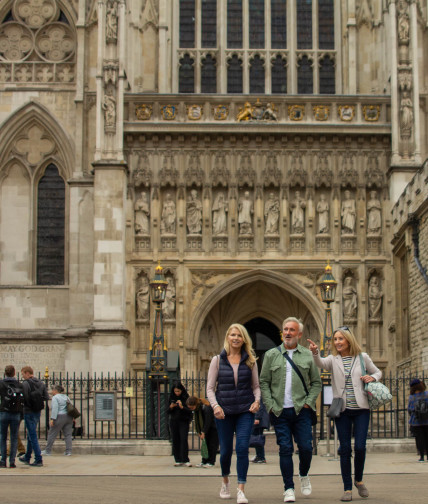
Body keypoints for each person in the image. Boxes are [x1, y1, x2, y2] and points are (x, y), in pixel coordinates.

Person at [308, 326, 382, 501]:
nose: (337, 342)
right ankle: (347, 488)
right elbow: (320, 363)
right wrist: (315, 352)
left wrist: (373, 378)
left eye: (341, 339)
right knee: (345, 449)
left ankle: (359, 480)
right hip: (342, 410)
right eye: (335, 339)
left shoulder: (362, 358)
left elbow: (378, 372)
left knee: (360, 447)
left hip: (362, 408)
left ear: (349, 340)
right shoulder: (333, 360)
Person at [260, 317, 321, 503]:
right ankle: (288, 488)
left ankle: (303, 473)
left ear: (299, 334)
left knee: (306, 448)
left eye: (292, 330)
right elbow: (264, 382)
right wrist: (270, 405)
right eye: (285, 329)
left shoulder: (307, 355)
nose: (287, 332)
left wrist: (309, 403)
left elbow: (316, 382)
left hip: (301, 410)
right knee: (285, 449)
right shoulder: (271, 355)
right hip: (280, 411)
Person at [207, 323, 261, 504]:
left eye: (239, 335)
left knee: (242, 448)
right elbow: (209, 389)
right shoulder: (217, 360)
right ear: (227, 337)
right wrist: (216, 406)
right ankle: (225, 481)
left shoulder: (250, 361)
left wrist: (256, 401)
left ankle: (241, 489)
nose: (236, 338)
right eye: (233, 335)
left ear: (244, 339)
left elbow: (256, 387)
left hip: (245, 410)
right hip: (224, 412)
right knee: (225, 452)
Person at [19, 366, 49, 467]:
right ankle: (27, 457)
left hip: (28, 411)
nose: (22, 376)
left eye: (23, 374)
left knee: (32, 435)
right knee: (30, 435)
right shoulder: (41, 383)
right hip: (37, 411)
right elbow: (46, 396)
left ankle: (38, 458)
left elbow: (24, 397)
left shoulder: (26, 383)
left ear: (27, 373)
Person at [0, 365, 24, 468]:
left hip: (4, 412)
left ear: (5, 373)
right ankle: (12, 461)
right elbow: (23, 399)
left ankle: (3, 460)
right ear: (14, 373)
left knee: (3, 437)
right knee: (14, 437)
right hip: (16, 413)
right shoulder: (19, 384)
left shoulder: (1, 384)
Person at [187, 396, 219, 468]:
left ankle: (211, 461)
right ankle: (204, 460)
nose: (191, 409)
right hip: (205, 428)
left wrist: (203, 431)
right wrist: (200, 431)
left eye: (191, 407)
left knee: (212, 445)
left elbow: (208, 421)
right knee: (205, 445)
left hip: (212, 428)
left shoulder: (206, 407)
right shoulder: (198, 409)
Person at [41, 385, 73, 456]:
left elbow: (55, 409)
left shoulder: (55, 397)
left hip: (59, 416)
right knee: (68, 435)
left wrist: (53, 419)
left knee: (52, 434)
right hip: (69, 416)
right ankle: (68, 451)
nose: (51, 391)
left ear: (55, 391)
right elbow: (71, 406)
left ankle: (48, 450)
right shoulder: (66, 397)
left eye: (52, 390)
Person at [167, 381, 193, 467]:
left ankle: (185, 459)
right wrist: (171, 407)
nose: (177, 393)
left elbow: (190, 410)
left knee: (183, 439)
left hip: (183, 421)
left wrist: (182, 407)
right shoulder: (171, 397)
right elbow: (167, 411)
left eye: (178, 391)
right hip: (174, 421)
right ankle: (177, 459)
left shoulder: (186, 397)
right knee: (175, 439)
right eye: (175, 391)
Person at [408, 379, 428, 462]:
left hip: (416, 421)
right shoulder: (427, 394)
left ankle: (421, 457)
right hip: (427, 420)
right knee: (427, 438)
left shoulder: (412, 397)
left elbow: (410, 409)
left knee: (419, 439)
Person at [250, 397, 269, 464]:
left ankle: (261, 457)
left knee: (257, 438)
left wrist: (257, 417)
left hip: (259, 419)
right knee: (257, 438)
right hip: (260, 418)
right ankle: (259, 456)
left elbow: (260, 405)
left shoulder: (258, 393)